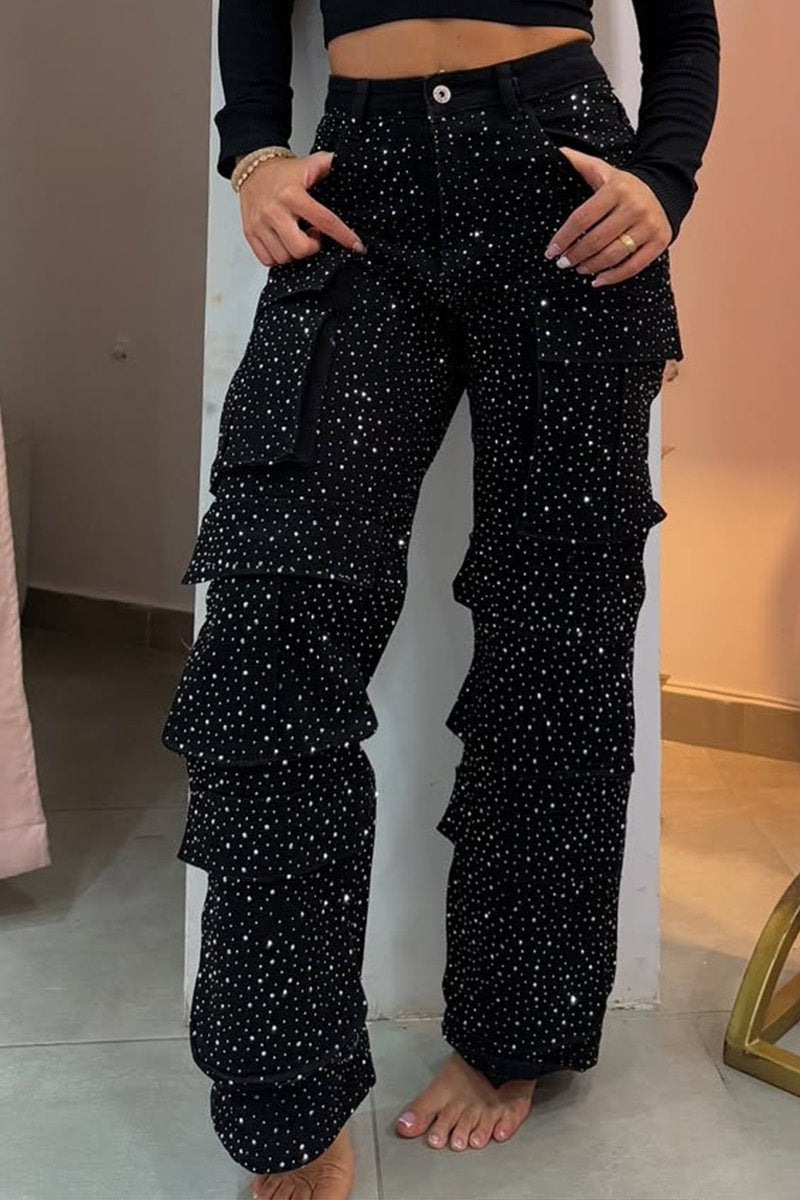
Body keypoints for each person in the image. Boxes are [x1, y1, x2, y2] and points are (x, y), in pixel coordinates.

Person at [160, 2, 720, 1197]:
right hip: (351, 193)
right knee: (266, 633)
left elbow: (684, 25)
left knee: (556, 641)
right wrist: (252, 153)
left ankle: (511, 1036)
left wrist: (663, 181)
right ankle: (285, 1096)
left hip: (566, 191)